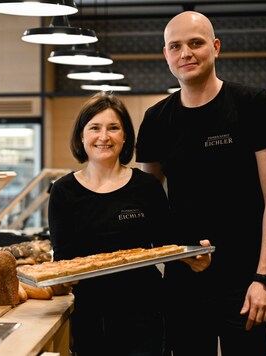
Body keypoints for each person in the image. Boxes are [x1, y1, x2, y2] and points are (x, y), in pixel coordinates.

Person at [135, 11, 266, 356]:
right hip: (182, 281)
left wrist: (265, 278)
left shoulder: (252, 104)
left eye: (195, 43)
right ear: (166, 55)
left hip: (245, 282)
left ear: (215, 47)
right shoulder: (156, 119)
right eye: (175, 46)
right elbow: (148, 201)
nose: (185, 53)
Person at [48, 92, 170, 356]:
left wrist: (193, 250)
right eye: (95, 128)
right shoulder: (63, 191)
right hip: (89, 315)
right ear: (82, 136)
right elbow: (64, 260)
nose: (104, 137)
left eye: (113, 128)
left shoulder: (146, 187)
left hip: (144, 313)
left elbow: (166, 246)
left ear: (125, 136)